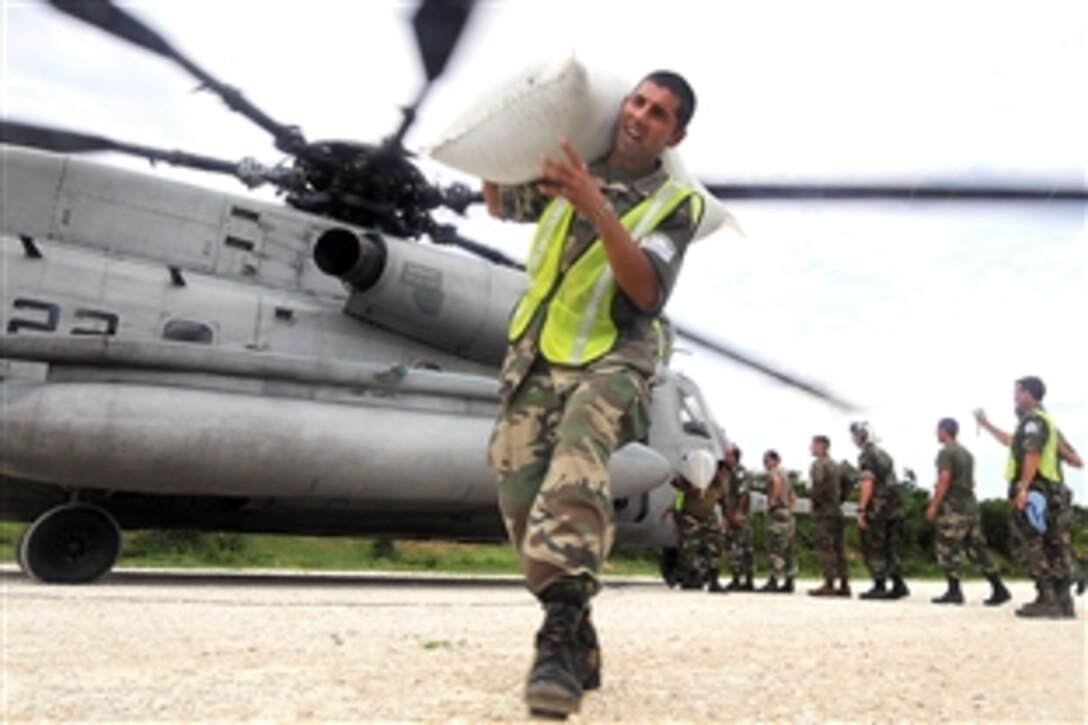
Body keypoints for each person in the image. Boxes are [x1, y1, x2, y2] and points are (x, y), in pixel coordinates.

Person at [483, 71, 705, 716]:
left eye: (659, 113)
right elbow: (502, 202)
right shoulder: (573, 168)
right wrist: (496, 138)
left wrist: (595, 206)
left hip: (615, 359)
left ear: (676, 133)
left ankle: (554, 642)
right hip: (537, 356)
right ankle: (578, 630)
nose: (641, 115)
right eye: (637, 101)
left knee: (580, 451)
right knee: (520, 493)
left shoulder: (675, 204)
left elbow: (645, 291)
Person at [974, 376, 1076, 619]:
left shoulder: (1032, 421)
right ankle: (1063, 601)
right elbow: (1075, 459)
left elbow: (1031, 452)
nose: (1014, 397)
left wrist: (1023, 487)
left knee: (1030, 543)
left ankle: (1047, 599)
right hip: (1053, 491)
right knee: (1054, 544)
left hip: (1036, 492)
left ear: (1029, 394)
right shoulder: (1046, 422)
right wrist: (986, 424)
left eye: (1017, 393)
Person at [925, 418, 1011, 606]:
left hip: (954, 505)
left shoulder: (946, 453)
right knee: (976, 548)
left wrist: (934, 505)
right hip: (970, 504)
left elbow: (944, 479)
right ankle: (998, 587)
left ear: (944, 431)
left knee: (947, 545)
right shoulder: (967, 454)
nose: (936, 434)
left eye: (938, 430)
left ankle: (954, 590)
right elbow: (972, 482)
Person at [850, 422, 910, 600]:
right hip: (894, 506)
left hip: (878, 507)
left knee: (874, 545)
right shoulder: (884, 454)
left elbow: (867, 482)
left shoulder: (866, 456)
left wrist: (861, 509)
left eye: (854, 435)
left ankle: (879, 584)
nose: (853, 438)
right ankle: (898, 583)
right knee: (889, 547)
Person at [669, 449, 727, 591]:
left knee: (714, 548)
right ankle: (691, 577)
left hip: (708, 516)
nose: (723, 476)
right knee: (689, 548)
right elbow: (675, 482)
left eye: (725, 474)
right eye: (722, 473)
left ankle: (713, 579)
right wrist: (690, 490)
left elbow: (725, 503)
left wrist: (724, 520)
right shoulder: (696, 477)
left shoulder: (721, 486)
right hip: (690, 516)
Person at [808, 435, 850, 597]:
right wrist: (840, 500)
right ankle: (844, 583)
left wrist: (815, 502)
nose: (811, 448)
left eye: (813, 445)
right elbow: (847, 482)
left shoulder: (818, 464)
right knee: (839, 548)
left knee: (825, 547)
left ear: (821, 446)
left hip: (823, 511)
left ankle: (829, 582)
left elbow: (817, 485)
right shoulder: (837, 465)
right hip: (836, 510)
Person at [760, 450, 796, 593]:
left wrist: (772, 502)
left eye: (767, 461)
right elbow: (793, 496)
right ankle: (790, 579)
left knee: (775, 547)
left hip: (778, 512)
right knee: (788, 548)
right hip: (787, 513)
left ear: (775, 461)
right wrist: (789, 508)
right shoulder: (786, 475)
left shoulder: (775, 473)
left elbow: (776, 482)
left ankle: (774, 579)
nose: (765, 464)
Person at [720, 444, 755, 592]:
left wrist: (738, 512)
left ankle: (739, 579)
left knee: (737, 547)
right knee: (740, 546)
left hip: (737, 516)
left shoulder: (739, 472)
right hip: (731, 514)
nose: (725, 458)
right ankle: (744, 579)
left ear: (735, 457)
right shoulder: (730, 473)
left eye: (728, 455)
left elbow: (743, 494)